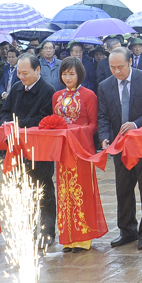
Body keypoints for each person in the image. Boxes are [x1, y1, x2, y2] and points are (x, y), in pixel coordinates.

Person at [97, 47, 142, 251]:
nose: (116, 72)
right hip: (119, 144)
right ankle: (127, 230)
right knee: (123, 188)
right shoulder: (105, 86)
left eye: (120, 67)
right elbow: (103, 116)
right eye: (112, 67)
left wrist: (136, 124)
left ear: (130, 62)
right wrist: (105, 138)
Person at [1, 54, 58, 245]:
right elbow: (5, 111)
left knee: (43, 190)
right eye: (18, 72)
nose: (21, 76)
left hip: (39, 150)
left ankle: (47, 231)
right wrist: (5, 123)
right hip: (17, 148)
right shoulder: (16, 88)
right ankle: (27, 230)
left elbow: (43, 120)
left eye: (25, 73)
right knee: (20, 189)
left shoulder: (48, 91)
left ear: (38, 70)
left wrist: (17, 125)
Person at [52, 57, 107, 253]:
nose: (67, 77)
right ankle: (68, 237)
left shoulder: (88, 95)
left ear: (79, 74)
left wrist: (76, 132)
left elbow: (94, 124)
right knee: (64, 192)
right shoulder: (57, 96)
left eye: (71, 73)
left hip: (81, 150)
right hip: (63, 150)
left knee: (81, 190)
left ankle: (83, 236)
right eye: (64, 73)